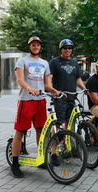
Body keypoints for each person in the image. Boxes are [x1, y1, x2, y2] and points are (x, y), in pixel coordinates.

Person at [11, 36, 61, 179]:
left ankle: (41, 159)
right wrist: (30, 88)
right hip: (26, 100)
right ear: (29, 46)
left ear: (40, 47)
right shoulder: (23, 61)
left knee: (41, 130)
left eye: (38, 45)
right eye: (33, 45)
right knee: (20, 131)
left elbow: (46, 84)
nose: (36, 47)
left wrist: (54, 91)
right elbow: (20, 80)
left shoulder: (44, 63)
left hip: (40, 101)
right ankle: (15, 164)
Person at [48, 39, 88, 125]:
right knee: (58, 123)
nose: (67, 50)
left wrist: (84, 89)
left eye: (70, 48)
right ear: (61, 49)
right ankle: (55, 138)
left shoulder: (74, 62)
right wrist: (52, 90)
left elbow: (78, 79)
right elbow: (49, 78)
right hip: (60, 97)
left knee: (70, 122)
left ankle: (68, 138)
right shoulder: (54, 62)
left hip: (72, 96)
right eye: (65, 48)